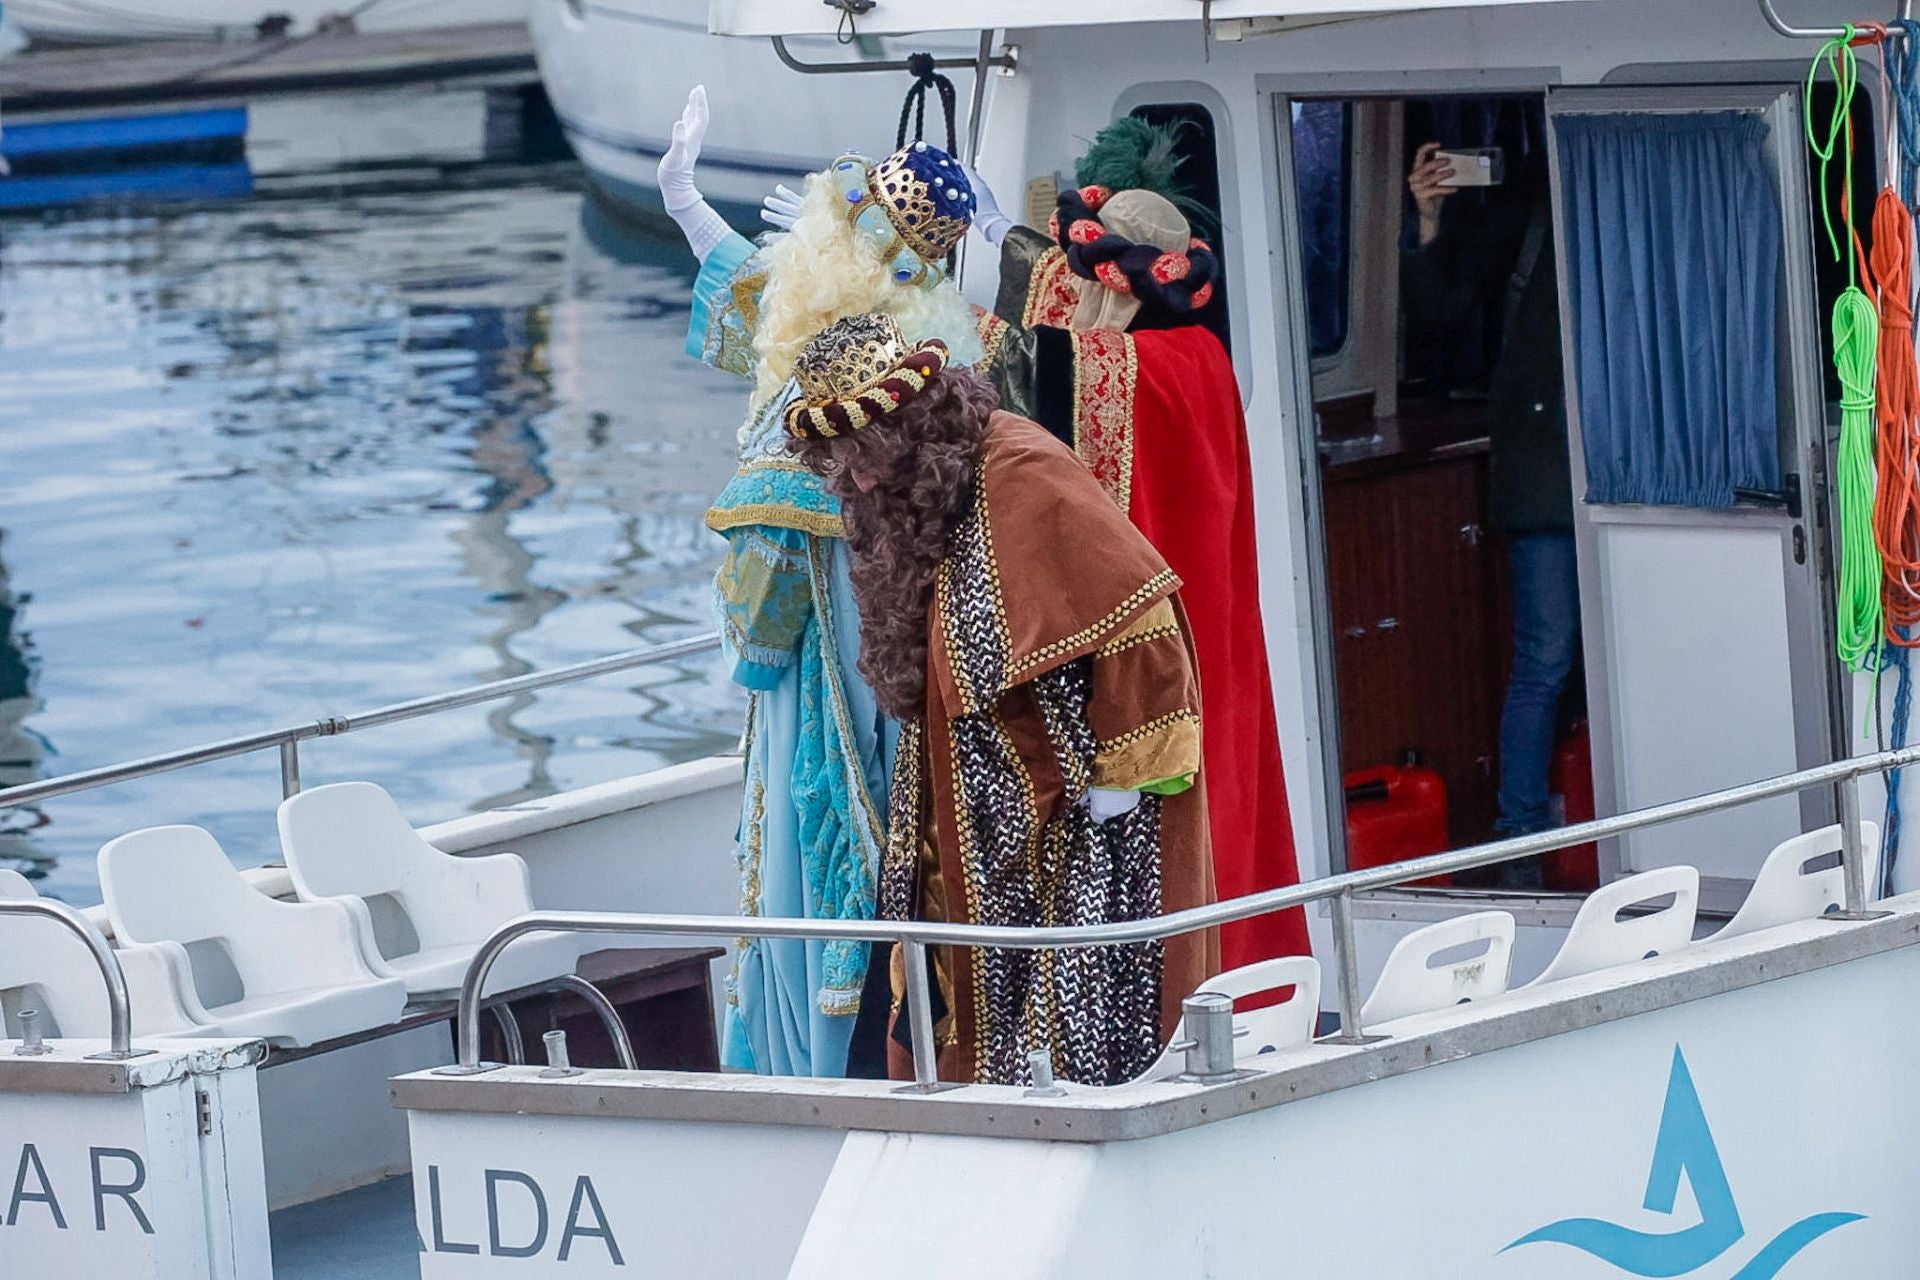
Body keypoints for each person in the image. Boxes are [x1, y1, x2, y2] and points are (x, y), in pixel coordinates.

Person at [785, 312, 1219, 1088]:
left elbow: (1143, 611)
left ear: (902, 429)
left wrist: (1115, 790)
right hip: (964, 810)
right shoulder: (916, 494)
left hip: (1067, 818)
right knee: (951, 992)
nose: (850, 484)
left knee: (1067, 1019)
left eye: (856, 460)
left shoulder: (1020, 467)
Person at [658, 85, 980, 1076]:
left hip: (827, 663)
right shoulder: (932, 354)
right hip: (908, 640)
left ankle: (818, 1051)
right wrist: (681, 198)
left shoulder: (826, 380)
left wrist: (751, 656)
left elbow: (764, 587)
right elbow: (756, 286)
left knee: (817, 838)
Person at [964, 119, 1308, 970]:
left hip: (1152, 655)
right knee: (1233, 791)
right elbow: (1066, 327)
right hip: (1214, 629)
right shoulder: (1200, 357)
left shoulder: (1133, 370)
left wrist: (906, 317)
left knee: (1172, 827)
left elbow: (1029, 364)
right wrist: (1006, 235)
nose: (1073, 296)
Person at [1403, 138, 1577, 886]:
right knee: (1544, 663)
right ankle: (1523, 841)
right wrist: (1429, 217)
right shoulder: (1518, 217)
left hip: (1606, 470)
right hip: (1546, 472)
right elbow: (1438, 309)